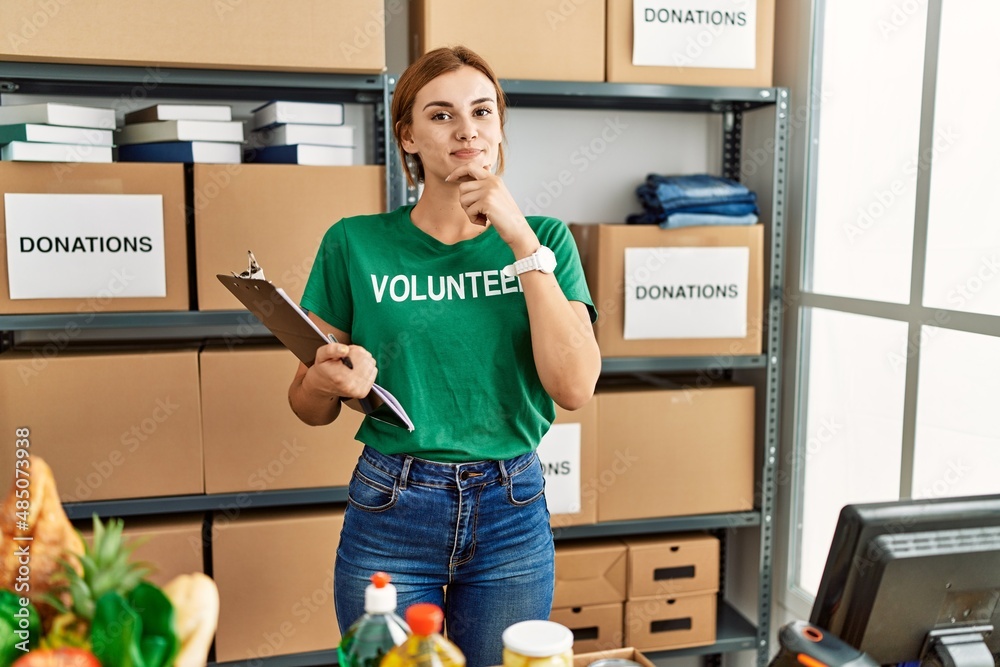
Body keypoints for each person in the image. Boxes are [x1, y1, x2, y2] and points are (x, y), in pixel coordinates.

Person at [288, 45, 601, 667]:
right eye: (441, 114)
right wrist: (327, 383)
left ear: (500, 127)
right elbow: (306, 405)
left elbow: (573, 387)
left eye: (483, 111)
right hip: (392, 508)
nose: (467, 130)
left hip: (511, 507)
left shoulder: (548, 240)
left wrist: (517, 236)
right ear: (407, 135)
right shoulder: (355, 242)